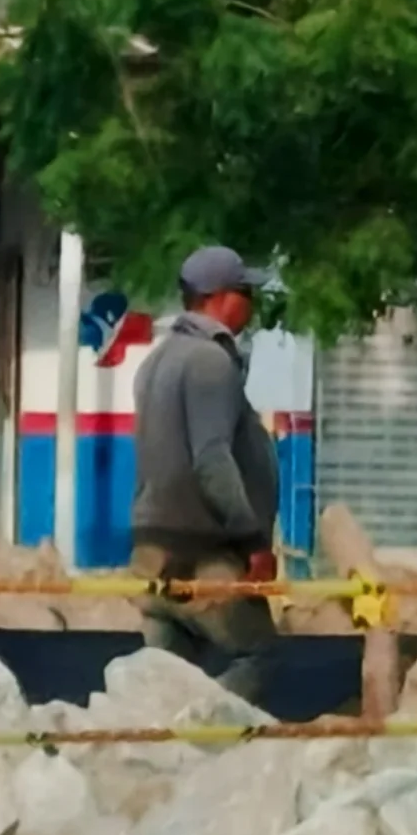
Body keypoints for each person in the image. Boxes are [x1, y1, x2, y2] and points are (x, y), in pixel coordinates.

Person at [130, 244, 283, 705]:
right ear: (219, 297)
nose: (251, 306)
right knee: (259, 654)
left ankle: (171, 759)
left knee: (170, 683)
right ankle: (204, 738)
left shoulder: (155, 361)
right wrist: (254, 542)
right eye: (245, 293)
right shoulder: (210, 361)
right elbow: (211, 459)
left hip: (152, 551)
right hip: (204, 554)